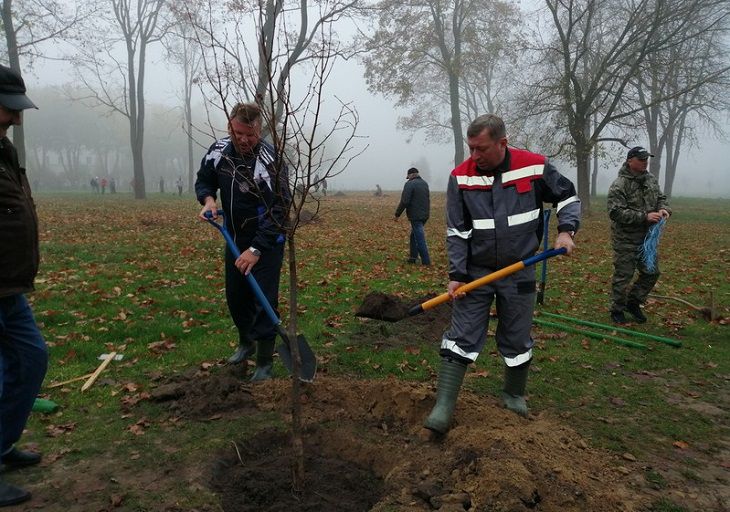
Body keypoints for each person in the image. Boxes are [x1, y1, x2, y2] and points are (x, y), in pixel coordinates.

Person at [423, 114, 580, 435]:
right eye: (471, 149)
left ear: (502, 143)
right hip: (475, 273)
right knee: (462, 335)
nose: (474, 156)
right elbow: (457, 231)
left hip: (520, 269)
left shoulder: (534, 167)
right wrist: (457, 275)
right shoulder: (461, 177)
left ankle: (513, 394)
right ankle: (444, 405)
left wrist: (567, 231)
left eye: (481, 149)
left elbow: (567, 195)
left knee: (517, 336)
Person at [195, 102, 289, 382]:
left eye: (250, 134)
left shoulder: (270, 161)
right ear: (230, 127)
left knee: (263, 299)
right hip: (235, 237)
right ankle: (245, 343)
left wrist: (256, 249)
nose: (244, 140)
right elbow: (204, 180)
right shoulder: (218, 152)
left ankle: (264, 362)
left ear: (259, 131)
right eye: (238, 133)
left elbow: (280, 210)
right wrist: (209, 200)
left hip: (267, 240)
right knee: (237, 297)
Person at [0, 64, 49, 507]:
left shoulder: (4, 150)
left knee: (31, 358)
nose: (15, 118)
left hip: (8, 286)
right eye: (8, 109)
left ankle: (2, 444)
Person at [607, 146, 670, 324]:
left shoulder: (650, 179)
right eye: (641, 159)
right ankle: (617, 310)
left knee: (652, 272)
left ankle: (633, 303)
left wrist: (664, 209)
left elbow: (661, 198)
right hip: (626, 239)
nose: (645, 162)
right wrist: (645, 216)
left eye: (646, 159)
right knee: (623, 276)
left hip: (647, 239)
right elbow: (615, 212)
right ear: (630, 161)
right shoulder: (620, 184)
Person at [394, 168, 431, 265]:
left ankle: (426, 261)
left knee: (419, 238)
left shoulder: (409, 184)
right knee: (413, 235)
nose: (408, 179)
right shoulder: (424, 183)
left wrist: (397, 214)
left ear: (411, 175)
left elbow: (405, 201)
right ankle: (413, 257)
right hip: (425, 215)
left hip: (415, 215)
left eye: (408, 177)